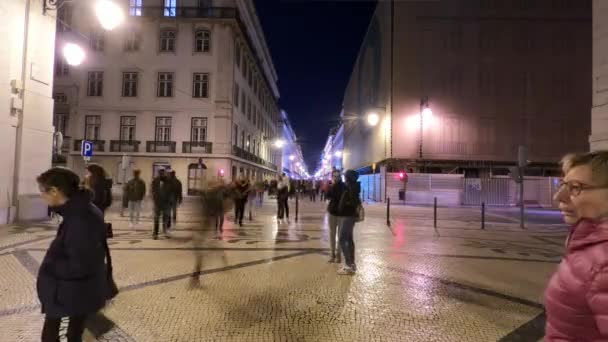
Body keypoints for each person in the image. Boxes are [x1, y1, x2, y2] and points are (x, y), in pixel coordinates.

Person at [36, 167, 114, 342]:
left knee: (55, 336)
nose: (42, 196)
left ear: (55, 191)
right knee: (72, 333)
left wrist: (50, 272)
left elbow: (80, 263)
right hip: (76, 291)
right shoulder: (80, 211)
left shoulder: (80, 218)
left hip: (69, 292)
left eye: (43, 191)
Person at [544, 151, 608, 341]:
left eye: (575, 187)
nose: (558, 196)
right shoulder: (588, 245)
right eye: (563, 185)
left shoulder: (603, 265)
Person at [336, 170, 361, 275]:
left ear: (349, 178)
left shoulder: (352, 188)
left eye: (345, 177)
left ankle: (348, 265)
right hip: (350, 216)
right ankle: (352, 264)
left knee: (342, 239)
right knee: (349, 240)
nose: (344, 178)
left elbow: (353, 202)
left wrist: (344, 203)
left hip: (348, 216)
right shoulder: (352, 186)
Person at [325, 169, 344, 263]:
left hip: (341, 214)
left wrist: (333, 187)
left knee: (340, 236)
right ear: (332, 177)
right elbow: (327, 196)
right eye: (334, 176)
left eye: (337, 176)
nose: (336, 178)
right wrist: (329, 187)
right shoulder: (331, 186)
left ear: (340, 177)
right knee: (332, 234)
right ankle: (332, 254)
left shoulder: (343, 186)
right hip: (332, 212)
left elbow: (337, 196)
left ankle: (338, 255)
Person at [151, 169, 172, 239]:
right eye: (160, 173)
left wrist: (169, 201)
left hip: (166, 203)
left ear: (164, 173)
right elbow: (152, 191)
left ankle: (165, 232)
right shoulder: (155, 181)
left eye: (162, 173)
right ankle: (155, 233)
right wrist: (154, 199)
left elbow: (170, 191)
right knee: (156, 219)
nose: (161, 174)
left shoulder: (168, 181)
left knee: (165, 219)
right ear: (158, 173)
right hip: (157, 203)